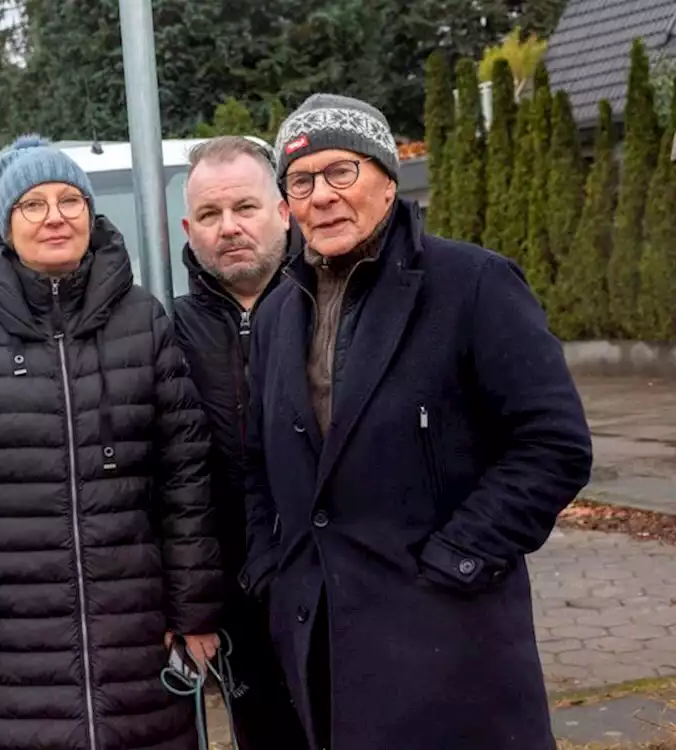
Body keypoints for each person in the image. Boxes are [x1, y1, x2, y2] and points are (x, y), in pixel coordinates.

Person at [241, 93, 593, 750]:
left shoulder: (473, 285)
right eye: (301, 181)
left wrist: (461, 557)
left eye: (340, 172)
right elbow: (256, 461)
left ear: (384, 180)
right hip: (323, 646)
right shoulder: (274, 317)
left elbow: (553, 445)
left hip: (450, 640)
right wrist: (272, 565)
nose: (321, 195)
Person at [0, 134, 223, 750]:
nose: (55, 217)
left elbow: (185, 477)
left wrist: (195, 611)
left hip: (135, 630)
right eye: (33, 204)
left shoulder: (143, 321)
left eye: (70, 200)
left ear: (91, 214)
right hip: (12, 639)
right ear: (5, 223)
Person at [171, 135, 308, 749]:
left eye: (245, 208)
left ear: (283, 208)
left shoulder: (337, 302)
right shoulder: (162, 334)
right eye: (209, 214)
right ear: (189, 227)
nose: (229, 227)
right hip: (236, 607)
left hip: (342, 591)